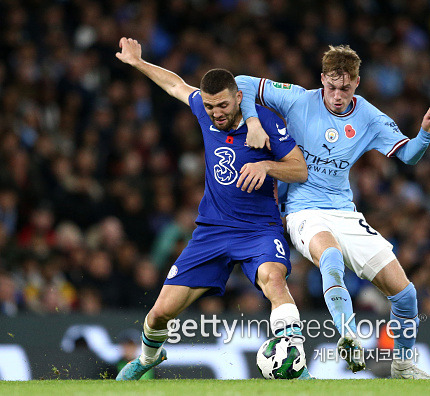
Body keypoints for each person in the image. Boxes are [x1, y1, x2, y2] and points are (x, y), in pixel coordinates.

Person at [236, 45, 430, 379]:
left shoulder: (369, 117)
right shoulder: (298, 99)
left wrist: (424, 135)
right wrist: (252, 121)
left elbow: (408, 155)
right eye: (331, 87)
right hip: (302, 210)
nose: (337, 95)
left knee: (405, 294)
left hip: (345, 212)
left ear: (357, 83)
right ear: (322, 80)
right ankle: (348, 333)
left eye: (345, 88)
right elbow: (241, 82)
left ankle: (403, 365)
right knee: (329, 256)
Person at [114, 37, 312, 380]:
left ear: (239, 97)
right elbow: (176, 84)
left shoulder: (265, 122)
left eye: (222, 105)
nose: (216, 113)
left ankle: (294, 364)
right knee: (160, 314)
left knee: (275, 282)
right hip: (212, 231)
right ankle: (147, 359)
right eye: (209, 107)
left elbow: (300, 168)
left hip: (259, 230)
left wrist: (267, 167)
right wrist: (137, 63)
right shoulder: (203, 112)